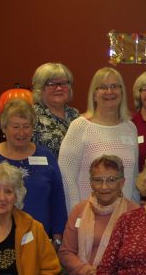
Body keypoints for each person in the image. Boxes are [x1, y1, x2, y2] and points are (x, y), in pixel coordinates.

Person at [0, 99, 67, 244]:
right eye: (16, 126)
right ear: (4, 128)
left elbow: (57, 200)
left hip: (39, 240)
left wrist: (58, 237)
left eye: (26, 126)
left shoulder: (46, 157)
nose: (21, 132)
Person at [59, 67, 139, 210]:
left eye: (115, 86)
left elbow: (132, 180)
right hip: (89, 216)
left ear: (122, 92)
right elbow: (67, 178)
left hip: (123, 217)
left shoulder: (130, 128)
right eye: (103, 87)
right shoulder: (80, 127)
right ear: (94, 94)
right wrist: (75, 214)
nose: (110, 92)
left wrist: (136, 214)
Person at [31, 61, 80, 158]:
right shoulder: (31, 116)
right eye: (51, 83)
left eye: (63, 83)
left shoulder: (75, 115)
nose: (59, 88)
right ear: (40, 88)